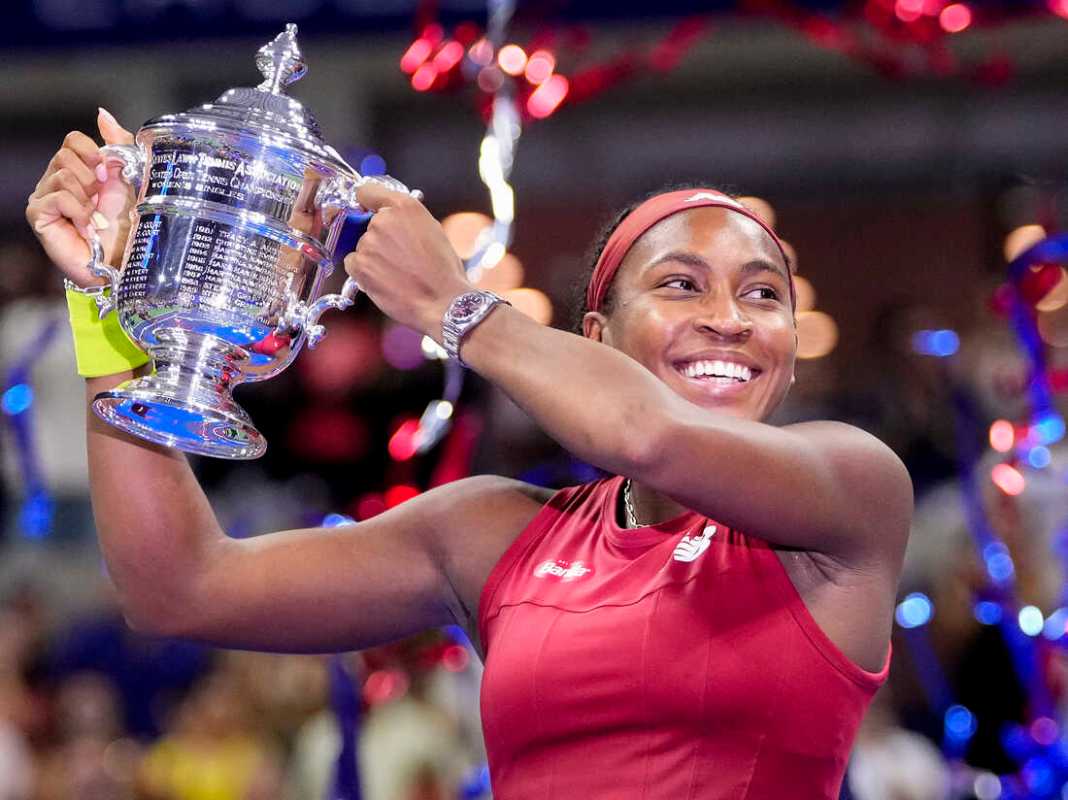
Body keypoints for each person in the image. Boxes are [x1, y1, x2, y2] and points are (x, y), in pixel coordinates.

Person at [25, 109, 912, 800]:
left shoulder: (850, 488)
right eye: (682, 284)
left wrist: (455, 306)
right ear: (596, 334)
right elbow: (178, 584)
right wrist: (107, 307)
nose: (729, 316)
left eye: (764, 295)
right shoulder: (495, 533)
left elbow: (647, 434)